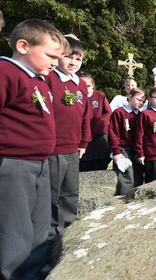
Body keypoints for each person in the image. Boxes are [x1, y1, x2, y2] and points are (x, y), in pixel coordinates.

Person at [0, 19, 67, 280]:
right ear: (23, 45)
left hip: (40, 163)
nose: (55, 62)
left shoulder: (39, 80)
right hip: (14, 164)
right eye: (51, 55)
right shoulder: (7, 72)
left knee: (39, 228)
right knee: (14, 230)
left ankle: (34, 273)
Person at [46, 35, 91, 243]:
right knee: (52, 195)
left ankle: (70, 233)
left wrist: (84, 142)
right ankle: (52, 235)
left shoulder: (80, 85)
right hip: (52, 148)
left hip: (73, 149)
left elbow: (85, 116)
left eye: (78, 59)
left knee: (71, 192)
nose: (73, 63)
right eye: (68, 57)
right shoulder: (49, 79)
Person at [109, 88, 146, 194]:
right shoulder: (119, 112)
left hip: (137, 149)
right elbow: (113, 133)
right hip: (123, 149)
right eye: (139, 100)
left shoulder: (141, 114)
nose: (141, 103)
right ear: (129, 97)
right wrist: (116, 152)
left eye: (143, 101)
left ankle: (135, 199)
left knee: (138, 174)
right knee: (125, 175)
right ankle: (122, 201)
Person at [79, 73, 112, 171]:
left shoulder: (99, 95)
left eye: (88, 85)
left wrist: (98, 125)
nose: (85, 88)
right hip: (82, 136)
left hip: (98, 136)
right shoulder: (76, 96)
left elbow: (108, 112)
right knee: (83, 165)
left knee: (99, 164)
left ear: (93, 85)